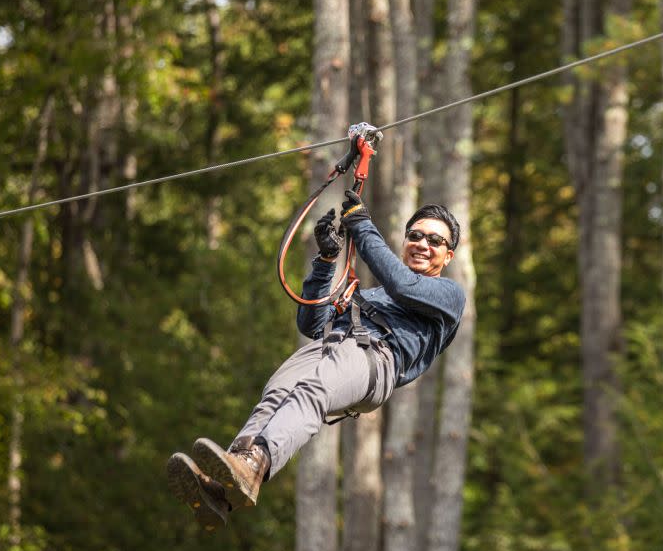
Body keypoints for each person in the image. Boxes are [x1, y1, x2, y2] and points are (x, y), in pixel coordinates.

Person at [167, 190, 465, 530]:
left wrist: (360, 222)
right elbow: (311, 323)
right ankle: (225, 486)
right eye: (415, 235)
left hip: (375, 358)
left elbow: (402, 285)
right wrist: (326, 260)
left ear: (448, 255)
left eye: (435, 241)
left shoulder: (449, 296)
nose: (423, 244)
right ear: (405, 240)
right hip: (330, 345)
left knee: (312, 390)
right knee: (275, 396)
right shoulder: (369, 294)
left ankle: (254, 463)